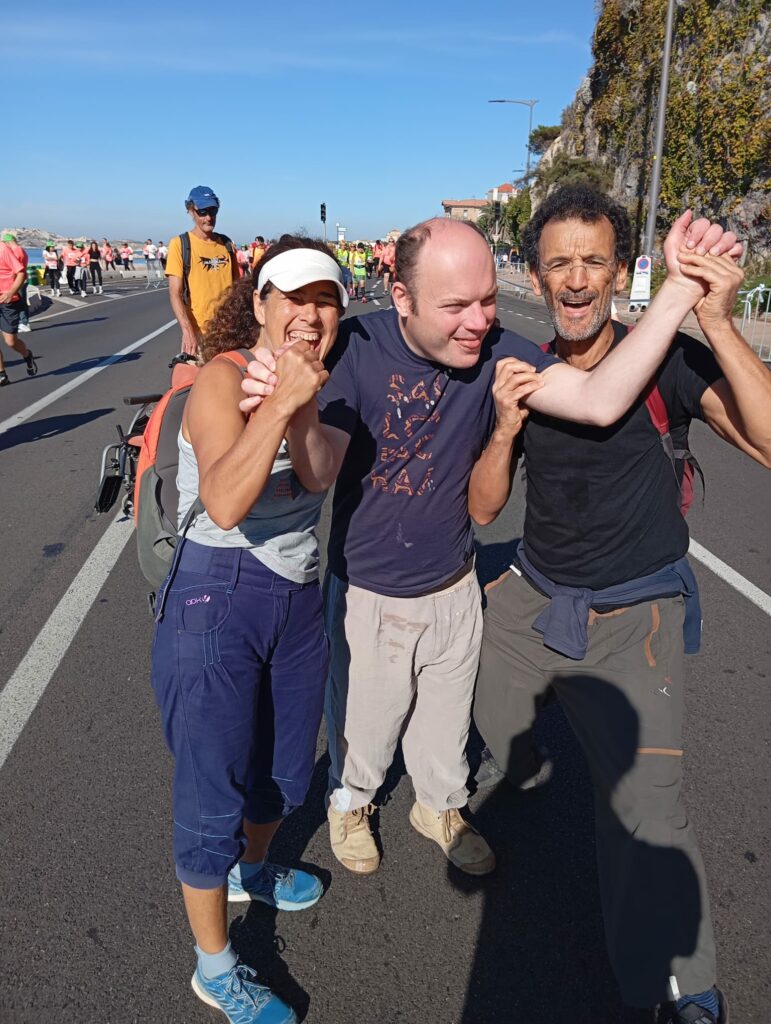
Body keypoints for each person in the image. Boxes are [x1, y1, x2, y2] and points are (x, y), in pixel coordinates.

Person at [239, 213, 739, 883]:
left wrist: (679, 289)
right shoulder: (356, 346)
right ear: (402, 298)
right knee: (366, 720)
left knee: (446, 724)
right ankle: (352, 804)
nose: (477, 322)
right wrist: (289, 405)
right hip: (370, 590)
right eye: (455, 306)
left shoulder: (500, 350)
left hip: (454, 581)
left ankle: (438, 807)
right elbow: (318, 466)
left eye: (487, 301)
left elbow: (598, 400)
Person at [470, 186, 768, 1024]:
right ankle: (505, 768)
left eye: (592, 261)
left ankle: (681, 988)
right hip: (532, 602)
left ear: (617, 272)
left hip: (635, 619)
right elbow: (484, 510)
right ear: (535, 275)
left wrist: (716, 320)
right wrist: (501, 431)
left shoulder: (665, 362)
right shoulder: (522, 370)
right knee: (491, 726)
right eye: (558, 263)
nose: (575, 279)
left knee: (646, 814)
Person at [151, 236, 348, 1024]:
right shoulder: (221, 379)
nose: (310, 315)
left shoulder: (317, 386)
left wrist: (300, 404)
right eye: (294, 298)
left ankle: (252, 870)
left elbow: (319, 472)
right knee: (212, 789)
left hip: (295, 598)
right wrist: (276, 403)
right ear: (260, 304)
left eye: (325, 301)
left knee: (285, 772)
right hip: (216, 593)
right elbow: (227, 501)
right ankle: (215, 966)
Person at [165, 185, 239, 357]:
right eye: (202, 212)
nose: (208, 218)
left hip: (229, 331)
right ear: (191, 211)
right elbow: (175, 293)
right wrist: (187, 331)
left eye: (213, 211)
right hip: (200, 335)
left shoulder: (227, 244)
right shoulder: (180, 244)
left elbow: (237, 288)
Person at [0, 237, 38, 385]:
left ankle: (27, 355)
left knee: (11, 342)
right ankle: (2, 375)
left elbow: (21, 273)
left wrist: (11, 292)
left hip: (7, 302)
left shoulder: (3, 250)